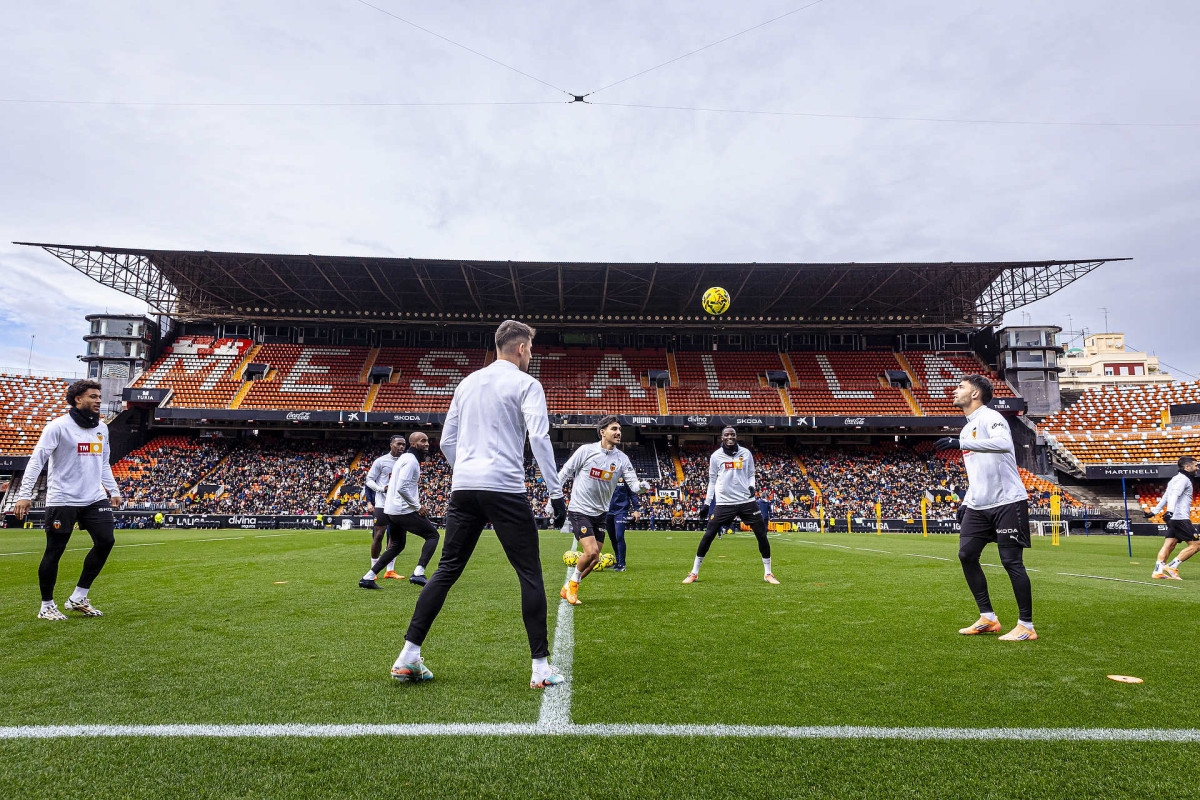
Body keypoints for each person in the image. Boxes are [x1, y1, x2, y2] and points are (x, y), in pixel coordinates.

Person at [391, 320, 567, 688]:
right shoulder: (526, 384)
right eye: (531, 349)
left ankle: (408, 655)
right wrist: (555, 493)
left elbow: (446, 442)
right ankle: (540, 668)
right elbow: (539, 437)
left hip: (464, 488)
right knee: (530, 574)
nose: (531, 356)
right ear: (520, 348)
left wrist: (468, 471)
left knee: (446, 570)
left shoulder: (467, 383)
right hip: (503, 487)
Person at [935, 374, 1035, 642]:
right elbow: (978, 474)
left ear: (975, 394)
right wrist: (966, 501)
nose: (954, 391)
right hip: (979, 504)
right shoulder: (966, 428)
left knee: (1011, 562)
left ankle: (1026, 625)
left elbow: (1004, 444)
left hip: (1007, 501)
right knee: (966, 555)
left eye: (960, 387)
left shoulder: (991, 417)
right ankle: (988, 618)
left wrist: (960, 444)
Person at [13, 380, 122, 621]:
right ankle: (46, 605)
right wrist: (24, 494)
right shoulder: (58, 427)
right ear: (77, 400)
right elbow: (36, 460)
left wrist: (113, 490)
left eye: (98, 396)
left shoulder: (101, 429)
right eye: (92, 396)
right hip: (63, 499)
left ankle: (78, 597)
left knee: (106, 541)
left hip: (94, 497)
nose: (98, 400)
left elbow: (103, 463)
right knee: (55, 551)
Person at [558, 416, 644, 603]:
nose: (618, 432)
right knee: (590, 553)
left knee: (595, 559)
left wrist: (642, 487)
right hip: (580, 509)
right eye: (614, 429)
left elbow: (634, 485)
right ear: (602, 432)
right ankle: (573, 586)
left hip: (601, 513)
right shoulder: (586, 451)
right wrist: (553, 499)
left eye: (620, 429)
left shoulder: (622, 459)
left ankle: (568, 586)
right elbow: (565, 472)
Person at [682, 427, 778, 585]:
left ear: (736, 436)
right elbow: (712, 481)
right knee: (708, 535)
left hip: (746, 501)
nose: (730, 437)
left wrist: (752, 486)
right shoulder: (715, 456)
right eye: (726, 434)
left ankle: (768, 573)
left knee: (761, 534)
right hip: (724, 502)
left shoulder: (746, 453)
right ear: (722, 437)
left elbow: (751, 474)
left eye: (732, 434)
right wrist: (707, 504)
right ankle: (694, 572)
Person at [359, 432, 441, 589]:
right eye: (422, 441)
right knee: (432, 535)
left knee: (397, 544)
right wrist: (418, 507)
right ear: (414, 444)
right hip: (402, 509)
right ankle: (418, 573)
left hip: (391, 509)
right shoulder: (411, 461)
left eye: (428, 441)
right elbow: (402, 488)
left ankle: (368, 578)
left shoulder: (404, 459)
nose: (427, 444)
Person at [365, 435, 406, 580]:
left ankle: (390, 570)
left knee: (395, 538)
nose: (401, 447)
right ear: (391, 445)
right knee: (379, 535)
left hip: (399, 504)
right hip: (382, 504)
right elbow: (369, 480)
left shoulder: (406, 461)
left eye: (403, 444)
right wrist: (381, 489)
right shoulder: (381, 461)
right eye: (398, 444)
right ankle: (373, 569)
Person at [1150, 456, 1199, 579]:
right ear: (1187, 467)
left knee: (1169, 544)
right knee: (1196, 545)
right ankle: (1172, 566)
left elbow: (1166, 496)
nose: (1197, 467)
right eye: (1195, 465)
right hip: (1180, 518)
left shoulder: (1175, 479)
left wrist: (1156, 510)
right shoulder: (1183, 480)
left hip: (1174, 518)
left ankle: (1157, 571)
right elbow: (1173, 496)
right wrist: (1170, 511)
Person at [606, 476, 641, 572]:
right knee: (612, 537)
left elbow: (632, 494)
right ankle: (618, 562)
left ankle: (622, 564)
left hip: (621, 511)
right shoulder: (605, 474)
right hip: (607, 510)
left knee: (619, 536)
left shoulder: (625, 476)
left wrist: (636, 509)